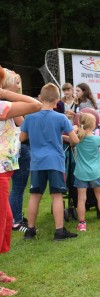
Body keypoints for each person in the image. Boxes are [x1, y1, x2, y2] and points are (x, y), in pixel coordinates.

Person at [0, 65, 42, 296]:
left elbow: (22, 119)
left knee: (6, 221)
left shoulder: (6, 107)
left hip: (4, 170)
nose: (18, 85)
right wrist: (4, 94)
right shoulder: (2, 104)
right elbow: (35, 104)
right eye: (13, 82)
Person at [21, 83, 80, 241]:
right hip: (55, 161)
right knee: (57, 195)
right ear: (57, 101)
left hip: (37, 162)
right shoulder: (61, 117)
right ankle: (59, 231)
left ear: (40, 98)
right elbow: (75, 140)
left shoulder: (30, 118)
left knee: (35, 195)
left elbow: (21, 138)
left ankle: (30, 230)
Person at [74, 113, 100, 231]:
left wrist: (75, 128)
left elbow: (71, 139)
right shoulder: (97, 139)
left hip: (80, 173)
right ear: (93, 125)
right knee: (99, 196)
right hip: (95, 173)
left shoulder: (78, 139)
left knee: (81, 199)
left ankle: (82, 223)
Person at [2, 69, 29, 233]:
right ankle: (16, 221)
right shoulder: (9, 105)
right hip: (15, 151)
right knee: (17, 188)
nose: (19, 87)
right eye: (16, 83)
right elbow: (24, 126)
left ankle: (14, 218)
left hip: (9, 152)